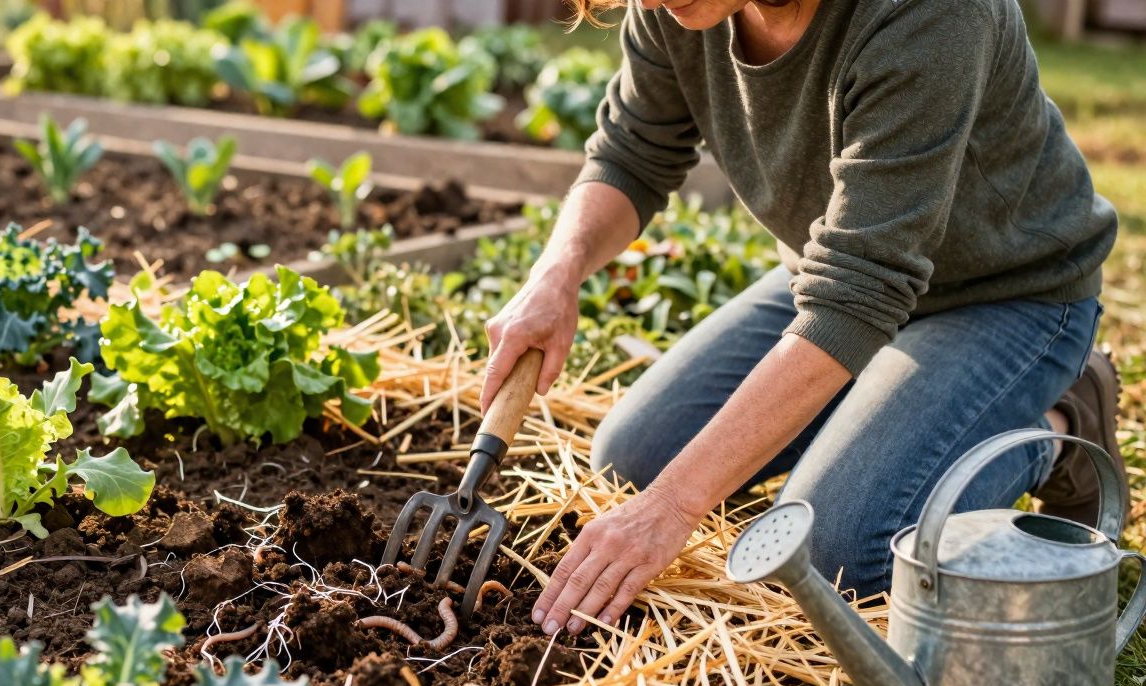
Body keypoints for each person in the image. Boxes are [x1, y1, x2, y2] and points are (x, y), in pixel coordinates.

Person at [478, 0, 1126, 639]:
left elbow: (858, 295)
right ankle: (881, 412)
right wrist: (553, 277)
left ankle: (1058, 425)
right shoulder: (674, 6)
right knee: (632, 461)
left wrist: (675, 506)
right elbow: (631, 153)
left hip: (1004, 292)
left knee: (840, 556)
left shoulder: (932, 14)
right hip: (842, 277)